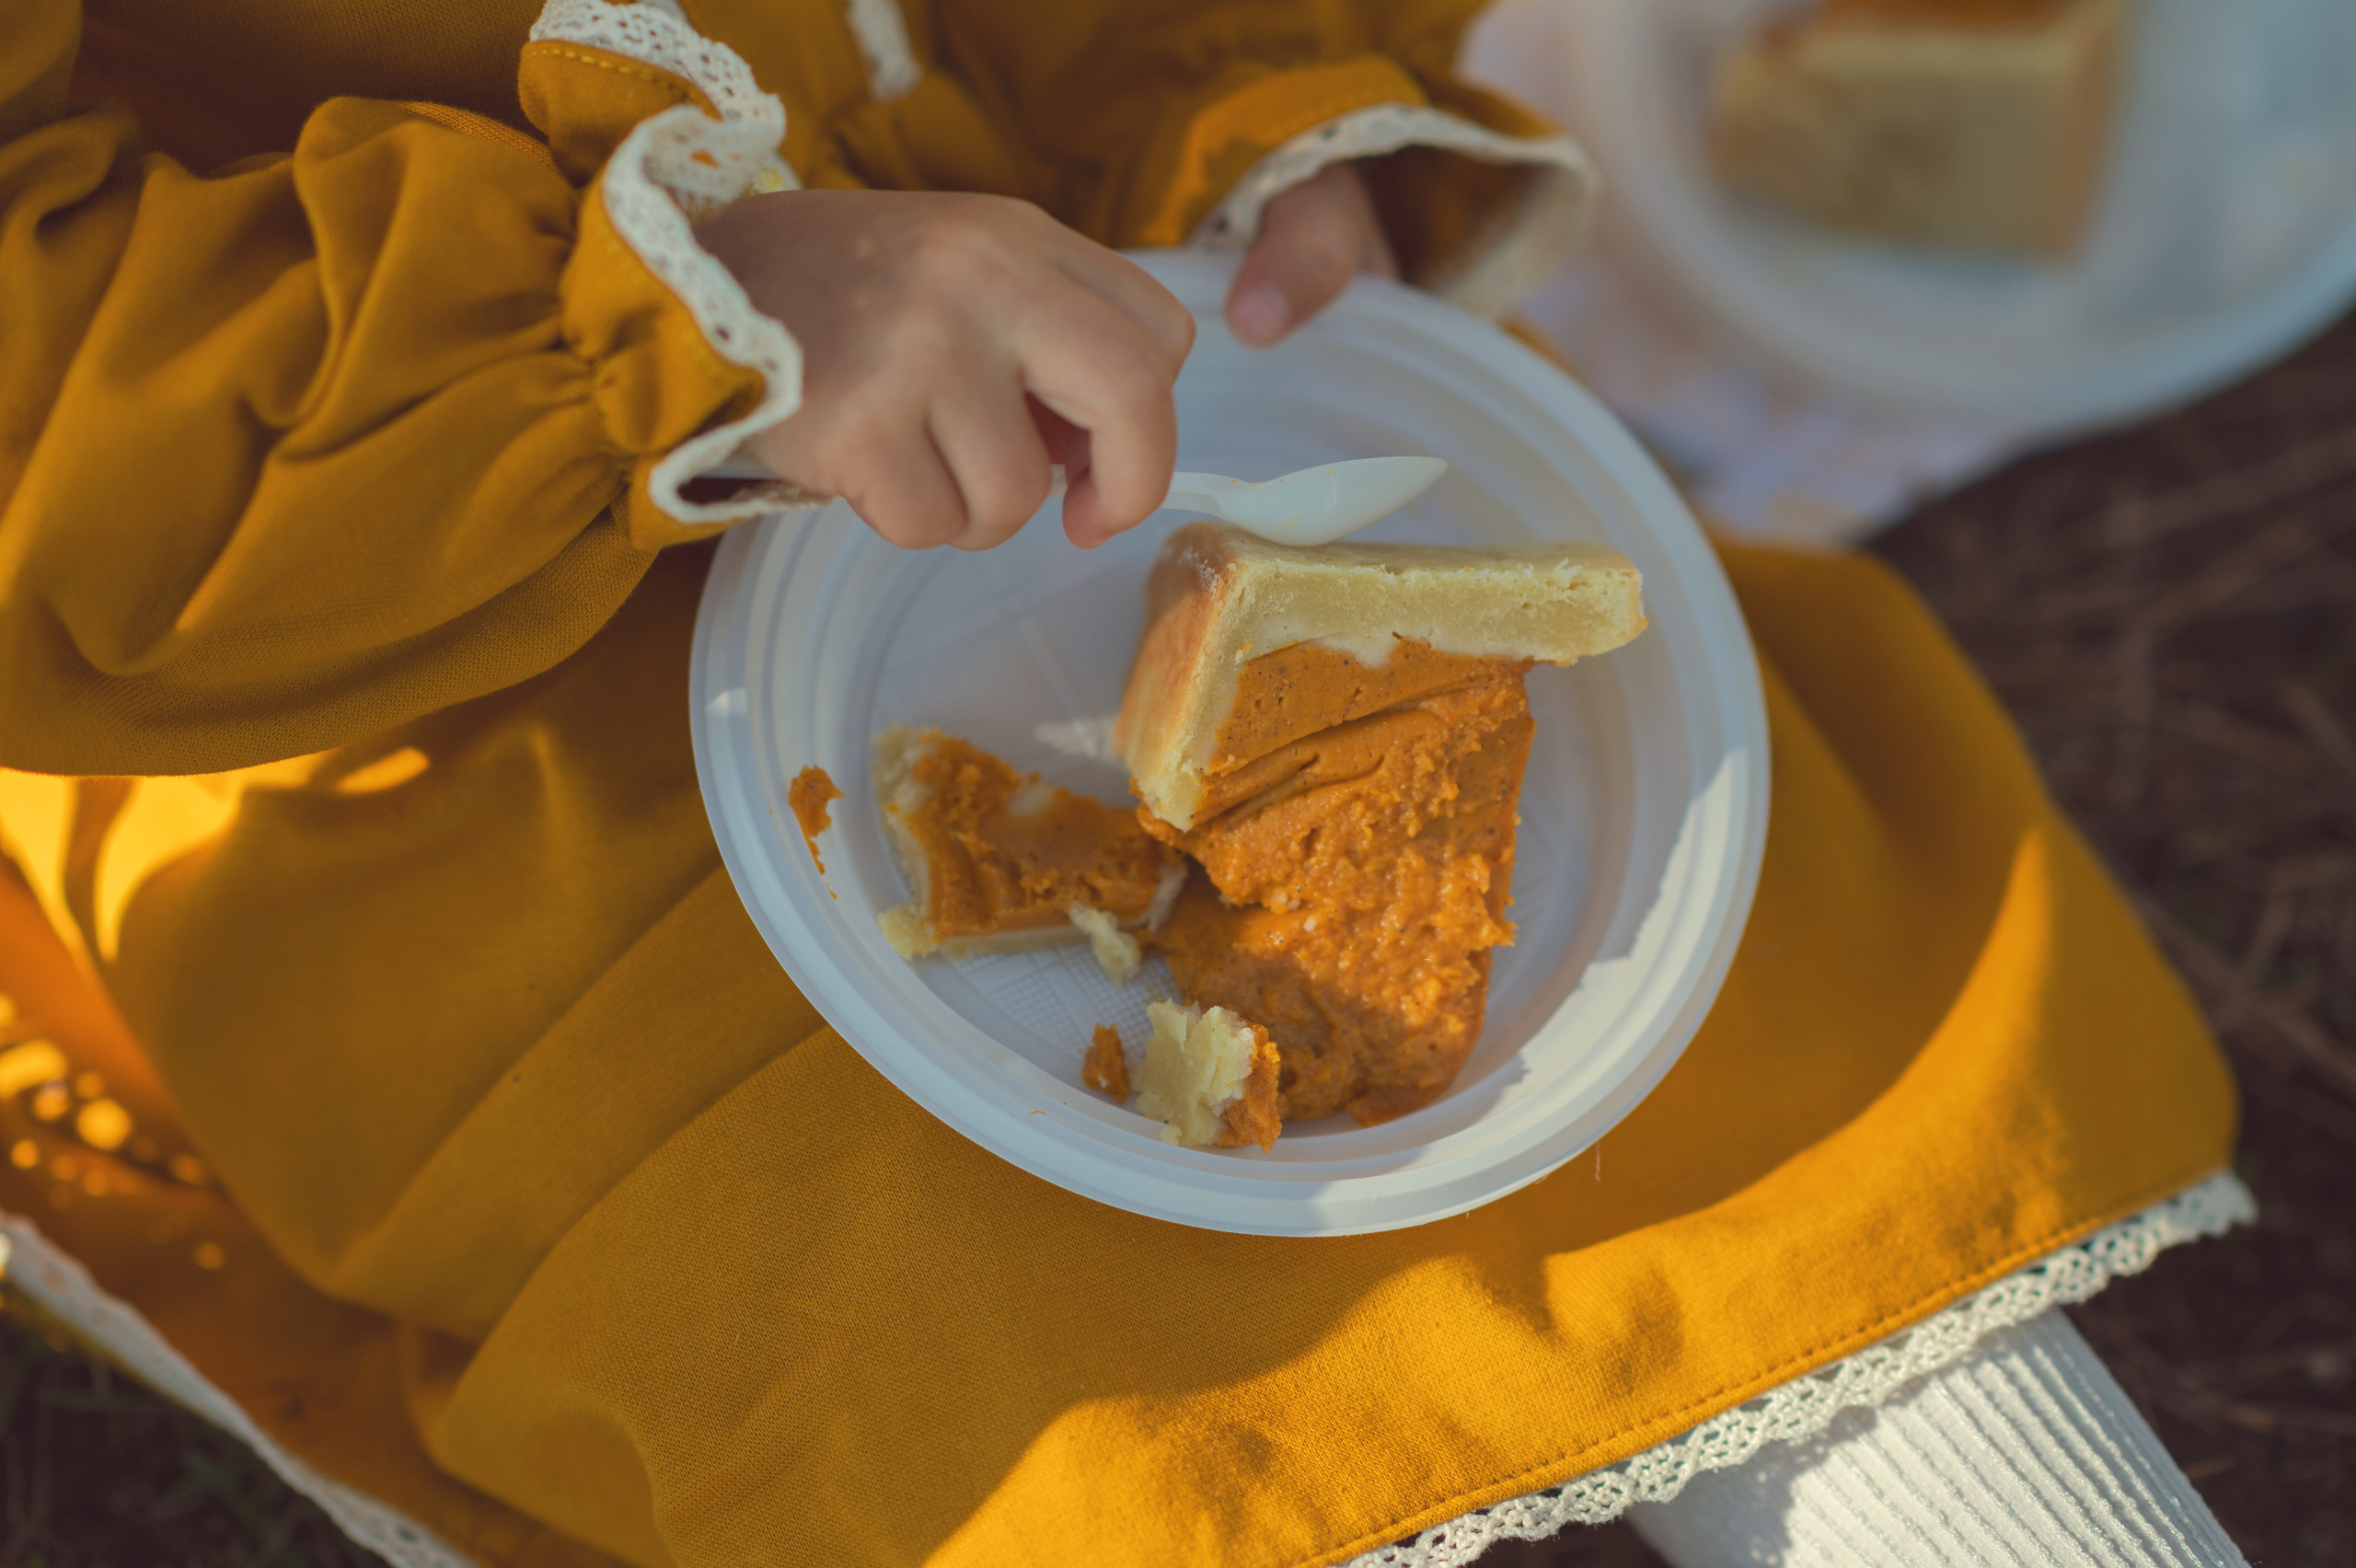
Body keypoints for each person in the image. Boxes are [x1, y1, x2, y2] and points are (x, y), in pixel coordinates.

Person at [0, 1, 2249, 1563]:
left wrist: (1223, 97)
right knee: (918, 1297)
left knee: (1708, 1033)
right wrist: (676, 322)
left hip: (1066, 297)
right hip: (393, 598)